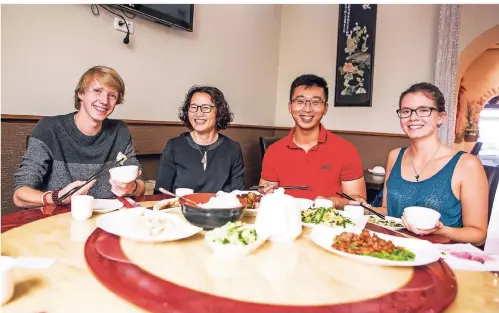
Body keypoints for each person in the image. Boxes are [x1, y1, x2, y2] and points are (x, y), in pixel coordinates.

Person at [373, 82, 488, 245]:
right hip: (393, 250)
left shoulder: (467, 164)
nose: (413, 117)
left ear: (441, 117)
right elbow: (388, 211)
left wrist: (440, 230)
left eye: (424, 110)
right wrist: (361, 207)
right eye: (406, 111)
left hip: (441, 258)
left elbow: (478, 235)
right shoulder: (395, 156)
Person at [13, 66, 145, 208]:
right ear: (81, 93)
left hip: (109, 219)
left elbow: (140, 184)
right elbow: (20, 195)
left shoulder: (120, 131)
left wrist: (132, 187)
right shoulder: (49, 129)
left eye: (112, 95)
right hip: (59, 220)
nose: (105, 101)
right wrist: (57, 197)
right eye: (97, 91)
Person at [259, 74, 366, 208]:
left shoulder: (345, 150)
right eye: (300, 101)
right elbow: (265, 193)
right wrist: (264, 193)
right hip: (285, 224)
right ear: (290, 107)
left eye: (316, 102)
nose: (307, 109)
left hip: (331, 225)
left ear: (325, 108)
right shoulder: (274, 151)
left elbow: (358, 201)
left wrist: (333, 202)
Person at [154, 85, 244, 194]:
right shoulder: (174, 146)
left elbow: (238, 195)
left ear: (218, 112)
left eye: (205, 108)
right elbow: (161, 193)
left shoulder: (232, 148)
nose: (198, 113)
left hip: (220, 210)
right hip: (181, 209)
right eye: (193, 107)